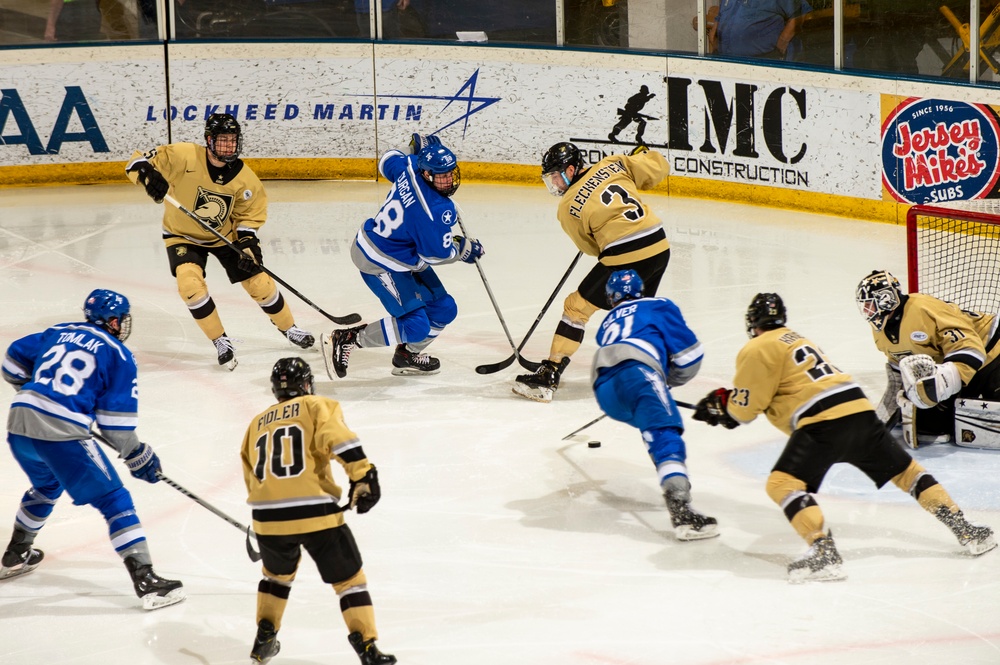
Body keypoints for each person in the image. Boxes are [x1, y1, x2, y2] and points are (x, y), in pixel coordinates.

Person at [692, 292, 996, 583]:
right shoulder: (797, 339)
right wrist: (730, 406)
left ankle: (823, 553)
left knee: (782, 484)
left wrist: (725, 409)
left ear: (753, 324)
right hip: (859, 410)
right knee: (907, 474)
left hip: (823, 422)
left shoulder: (756, 347)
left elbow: (745, 410)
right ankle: (967, 530)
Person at [0, 289, 185, 609]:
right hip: (60, 430)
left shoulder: (59, 331)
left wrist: (39, 392)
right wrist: (137, 455)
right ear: (113, 322)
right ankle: (146, 579)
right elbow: (115, 425)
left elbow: (11, 362)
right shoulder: (119, 354)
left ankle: (16, 553)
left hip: (19, 421)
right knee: (115, 499)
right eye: (123, 319)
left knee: (47, 484)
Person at [126, 113, 315, 371]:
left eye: (233, 140)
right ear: (209, 140)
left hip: (224, 237)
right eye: (222, 140)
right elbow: (136, 160)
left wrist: (249, 243)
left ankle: (289, 328)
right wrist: (146, 174)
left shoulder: (246, 179)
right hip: (181, 235)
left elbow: (248, 217)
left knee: (258, 282)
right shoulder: (184, 155)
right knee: (189, 285)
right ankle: (220, 341)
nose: (229, 146)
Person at [241, 358, 395, 665]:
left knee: (276, 578)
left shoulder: (255, 423)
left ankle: (265, 637)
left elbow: (251, 477)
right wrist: (363, 475)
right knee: (349, 581)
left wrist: (265, 520)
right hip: (314, 512)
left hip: (267, 518)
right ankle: (366, 646)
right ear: (307, 384)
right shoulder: (314, 405)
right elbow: (338, 439)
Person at [513, 142, 671, 403]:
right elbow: (658, 168)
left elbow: (589, 247)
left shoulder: (567, 207)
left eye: (556, 175)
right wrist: (636, 160)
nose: (554, 182)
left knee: (576, 307)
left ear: (572, 169)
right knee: (636, 311)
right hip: (659, 245)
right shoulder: (612, 164)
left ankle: (549, 373)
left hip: (626, 254)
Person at [320, 133, 483, 380]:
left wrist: (415, 154)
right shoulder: (435, 210)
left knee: (444, 309)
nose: (448, 180)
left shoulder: (409, 167)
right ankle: (348, 339)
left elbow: (387, 159)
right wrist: (463, 250)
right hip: (379, 259)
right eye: (441, 176)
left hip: (402, 254)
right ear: (427, 175)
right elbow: (436, 255)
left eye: (450, 173)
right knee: (416, 326)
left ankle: (407, 356)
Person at [592, 270, 718, 540]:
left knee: (651, 425)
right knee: (663, 434)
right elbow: (690, 356)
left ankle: (673, 486)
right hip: (639, 374)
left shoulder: (607, 321)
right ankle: (681, 511)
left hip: (603, 386)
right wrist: (666, 381)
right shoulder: (658, 304)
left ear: (610, 298)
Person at [856, 269, 1000, 448]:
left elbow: (971, 346)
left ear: (886, 299)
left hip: (993, 348)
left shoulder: (923, 308)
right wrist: (880, 423)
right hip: (962, 366)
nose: (867, 311)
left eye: (870, 304)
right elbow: (897, 376)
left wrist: (944, 382)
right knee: (929, 427)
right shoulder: (880, 333)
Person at [709, 0, 813, 61]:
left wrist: (782, 43)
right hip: (726, 63)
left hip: (761, 63)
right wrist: (714, 36)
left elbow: (800, 14)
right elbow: (721, 16)